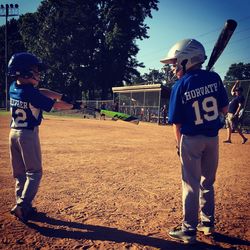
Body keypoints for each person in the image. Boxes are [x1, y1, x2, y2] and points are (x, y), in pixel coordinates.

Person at [160, 39, 229, 244]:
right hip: (212, 139)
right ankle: (207, 224)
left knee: (191, 185)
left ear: (186, 60)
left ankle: (188, 230)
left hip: (191, 140)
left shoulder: (180, 85)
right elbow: (224, 110)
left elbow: (177, 123)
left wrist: (179, 146)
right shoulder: (215, 78)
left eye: (175, 63)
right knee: (207, 182)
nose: (173, 67)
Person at [8, 52, 80, 223]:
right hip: (28, 135)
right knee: (34, 172)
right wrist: (72, 105)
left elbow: (42, 92)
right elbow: (55, 106)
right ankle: (22, 206)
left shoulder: (14, 86)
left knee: (20, 173)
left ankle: (21, 204)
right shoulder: (31, 94)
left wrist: (62, 96)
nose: (38, 74)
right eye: (34, 70)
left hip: (13, 134)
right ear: (24, 73)